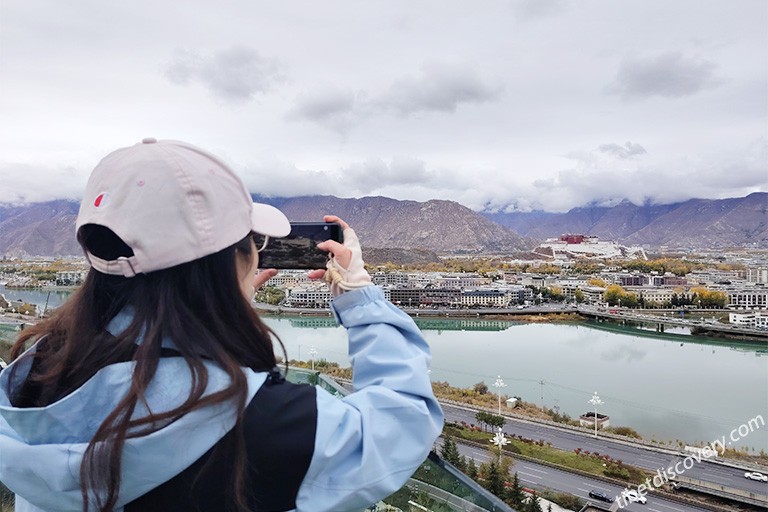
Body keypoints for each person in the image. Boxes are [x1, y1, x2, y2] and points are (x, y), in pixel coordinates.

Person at [0, 138, 443, 512]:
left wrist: (226, 301)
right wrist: (359, 294)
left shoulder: (36, 374)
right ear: (225, 262)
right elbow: (401, 424)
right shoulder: (259, 424)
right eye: (249, 242)